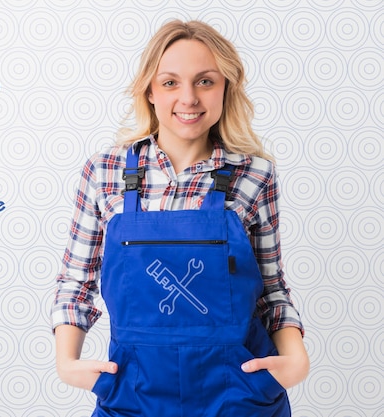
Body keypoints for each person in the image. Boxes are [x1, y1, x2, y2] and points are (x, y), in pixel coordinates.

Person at [51, 19, 309, 416]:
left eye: (205, 81)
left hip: (238, 394)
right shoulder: (105, 172)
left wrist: (296, 361)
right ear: (150, 91)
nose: (188, 98)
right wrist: (67, 364)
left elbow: (271, 291)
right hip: (134, 393)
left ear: (226, 88)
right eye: (170, 82)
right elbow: (76, 283)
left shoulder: (254, 175)